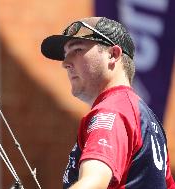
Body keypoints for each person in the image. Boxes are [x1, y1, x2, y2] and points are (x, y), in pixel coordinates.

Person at [41, 17, 175, 189]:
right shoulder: (145, 117)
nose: (65, 63)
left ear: (113, 54)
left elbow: (93, 183)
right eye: (66, 54)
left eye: (77, 50)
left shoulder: (111, 110)